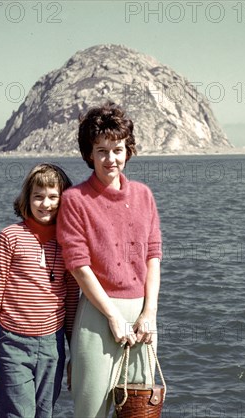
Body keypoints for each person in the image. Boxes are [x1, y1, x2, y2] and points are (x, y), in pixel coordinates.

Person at [56, 102, 162, 417]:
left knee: (138, 409)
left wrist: (149, 313)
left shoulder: (144, 195)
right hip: (97, 315)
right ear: (89, 154)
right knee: (92, 409)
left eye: (116, 149)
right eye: (101, 150)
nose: (110, 159)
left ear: (128, 150)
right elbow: (78, 266)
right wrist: (114, 317)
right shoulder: (74, 200)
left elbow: (153, 257)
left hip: (142, 315)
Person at [0, 163, 79, 417]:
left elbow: (72, 303)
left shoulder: (69, 243)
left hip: (52, 346)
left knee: (45, 413)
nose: (46, 204)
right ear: (27, 198)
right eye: (38, 196)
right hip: (11, 344)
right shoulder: (10, 237)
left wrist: (74, 355)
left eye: (54, 197)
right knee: (18, 413)